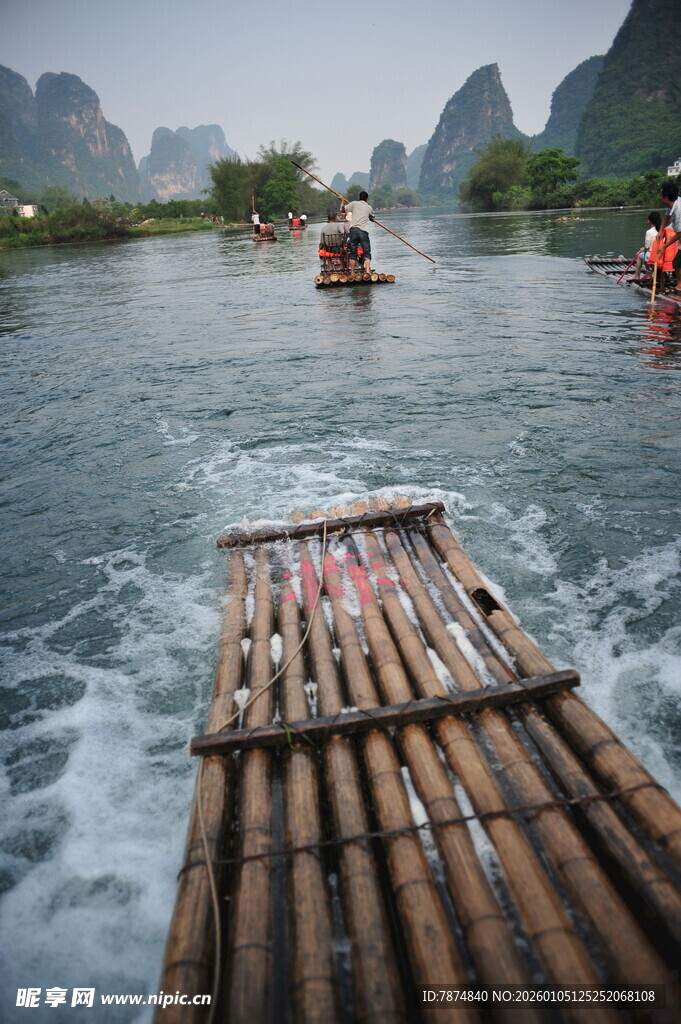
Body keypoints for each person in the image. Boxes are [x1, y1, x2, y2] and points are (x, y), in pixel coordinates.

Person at [342, 191, 374, 272]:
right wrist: (371, 218)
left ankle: (352, 272)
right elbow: (372, 218)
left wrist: (342, 200)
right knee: (367, 252)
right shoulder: (369, 207)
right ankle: (367, 271)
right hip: (363, 231)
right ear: (367, 199)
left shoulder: (354, 204)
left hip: (354, 231)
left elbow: (342, 209)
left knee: (353, 252)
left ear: (359, 198)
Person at [659, 182, 681, 292]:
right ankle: (679, 284)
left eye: (661, 194)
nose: (660, 196)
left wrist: (665, 246)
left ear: (666, 197)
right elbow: (666, 218)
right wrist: (660, 232)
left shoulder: (678, 210)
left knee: (677, 263)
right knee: (677, 263)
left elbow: (679, 233)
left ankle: (680, 285)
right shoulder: (672, 205)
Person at [631, 211, 661, 281]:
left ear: (649, 221)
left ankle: (637, 275)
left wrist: (642, 249)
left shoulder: (649, 232)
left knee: (640, 255)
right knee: (644, 254)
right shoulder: (662, 230)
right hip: (662, 254)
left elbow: (647, 247)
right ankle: (648, 273)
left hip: (653, 255)